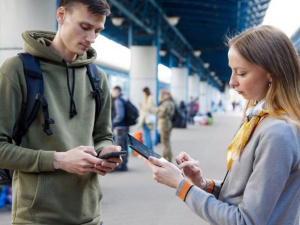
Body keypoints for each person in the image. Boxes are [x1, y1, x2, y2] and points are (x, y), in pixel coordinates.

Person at [146, 25, 300, 224]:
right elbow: (243, 198)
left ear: (271, 73)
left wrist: (181, 185)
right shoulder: (260, 119)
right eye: (232, 71)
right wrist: (202, 184)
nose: (232, 81)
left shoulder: (278, 133)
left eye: (242, 73)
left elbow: (245, 220)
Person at [0, 0, 122, 224]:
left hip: (91, 216)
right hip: (37, 218)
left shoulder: (97, 78)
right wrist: (58, 160)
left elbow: (102, 135)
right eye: (85, 27)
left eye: (97, 31)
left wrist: (105, 153)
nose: (92, 39)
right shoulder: (17, 70)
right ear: (61, 15)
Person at [111, 86, 129, 171]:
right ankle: (124, 164)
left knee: (120, 147)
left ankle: (122, 165)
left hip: (119, 127)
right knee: (124, 146)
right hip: (125, 126)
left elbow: (120, 115)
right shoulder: (124, 99)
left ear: (117, 91)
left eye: (113, 91)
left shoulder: (118, 101)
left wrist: (113, 123)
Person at [157, 89, 175, 162]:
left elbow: (162, 114)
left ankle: (167, 158)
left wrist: (158, 110)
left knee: (165, 142)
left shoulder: (166, 103)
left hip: (165, 124)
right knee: (166, 141)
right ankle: (167, 157)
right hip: (168, 123)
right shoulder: (171, 102)